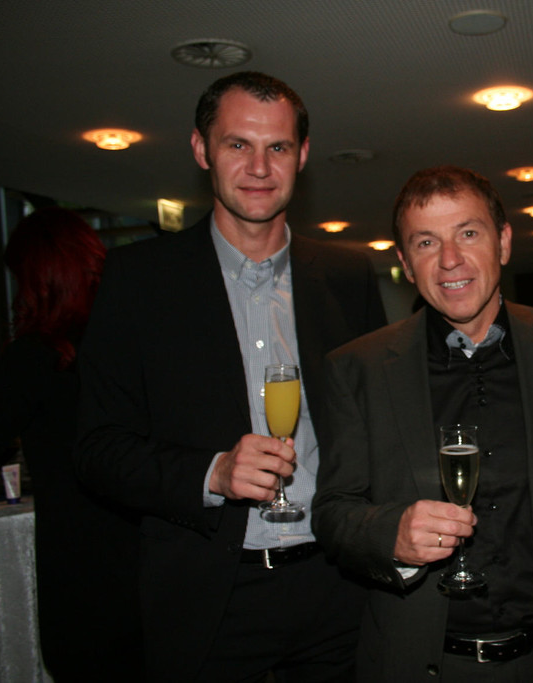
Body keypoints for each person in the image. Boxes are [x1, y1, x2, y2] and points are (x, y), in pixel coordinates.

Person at [75, 72, 386, 682]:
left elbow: (379, 426)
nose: (259, 167)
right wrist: (213, 472)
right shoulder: (138, 281)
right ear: (201, 150)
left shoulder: (348, 276)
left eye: (277, 147)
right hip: (208, 598)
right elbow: (97, 450)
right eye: (238, 144)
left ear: (302, 155)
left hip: (337, 590)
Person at [311, 166, 533, 682]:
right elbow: (331, 513)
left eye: (468, 233)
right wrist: (391, 533)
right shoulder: (357, 367)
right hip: (420, 664)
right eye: (425, 242)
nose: (449, 260)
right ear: (404, 264)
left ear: (503, 242)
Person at [0, 207, 143, 681]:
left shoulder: (35, 358)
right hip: (151, 561)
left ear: (37, 280)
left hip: (82, 571)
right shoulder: (131, 342)